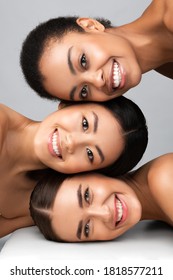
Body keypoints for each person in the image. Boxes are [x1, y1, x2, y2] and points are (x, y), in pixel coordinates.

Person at [0, 97, 148, 238]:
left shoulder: (46, 201)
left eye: (90, 154)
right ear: (68, 104)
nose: (71, 143)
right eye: (85, 124)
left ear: (90, 173)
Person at [20, 0, 173, 102]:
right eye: (84, 92)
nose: (97, 81)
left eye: (83, 61)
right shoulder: (165, 64)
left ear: (91, 25)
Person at [30, 153, 173, 242]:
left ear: (91, 170)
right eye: (86, 228)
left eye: (86, 196)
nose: (105, 214)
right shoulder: (157, 205)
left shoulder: (165, 177)